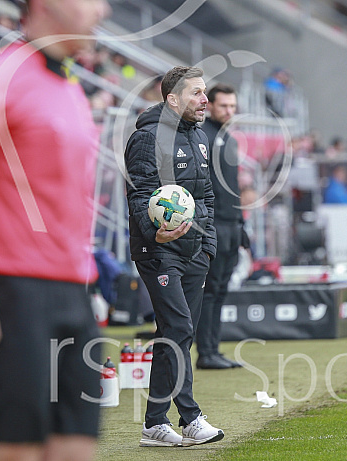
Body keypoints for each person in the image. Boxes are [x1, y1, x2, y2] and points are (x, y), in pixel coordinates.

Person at [0, 1, 110, 460]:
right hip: (13, 298)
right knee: (15, 450)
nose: (104, 9)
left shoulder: (71, 88)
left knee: (78, 447)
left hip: (74, 295)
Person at [124, 66, 224, 447]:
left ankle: (153, 422)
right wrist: (156, 233)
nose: (204, 100)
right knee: (180, 329)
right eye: (197, 93)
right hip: (159, 252)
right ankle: (191, 417)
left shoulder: (199, 137)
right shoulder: (147, 139)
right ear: (172, 98)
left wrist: (208, 245)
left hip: (195, 252)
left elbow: (207, 197)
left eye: (205, 93)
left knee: (174, 333)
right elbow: (139, 196)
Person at [195, 83, 246, 370]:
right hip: (212, 225)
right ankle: (206, 352)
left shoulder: (230, 139)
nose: (229, 111)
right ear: (210, 105)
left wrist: (241, 224)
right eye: (224, 105)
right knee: (210, 290)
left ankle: (214, 349)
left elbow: (232, 188)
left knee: (222, 289)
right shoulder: (202, 136)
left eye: (232, 106)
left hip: (231, 225)